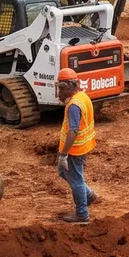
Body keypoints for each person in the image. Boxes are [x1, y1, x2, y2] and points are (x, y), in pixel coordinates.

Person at [55, 67, 97, 223]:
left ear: (65, 88)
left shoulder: (73, 106)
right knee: (63, 172)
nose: (58, 92)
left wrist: (64, 154)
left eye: (60, 88)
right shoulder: (82, 97)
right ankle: (89, 195)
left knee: (76, 180)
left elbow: (73, 131)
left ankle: (82, 214)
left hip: (74, 150)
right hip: (83, 146)